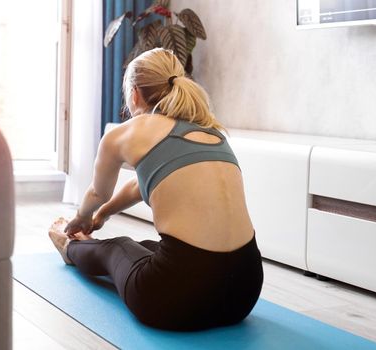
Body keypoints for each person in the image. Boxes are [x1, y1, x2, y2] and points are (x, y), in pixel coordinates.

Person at [48, 48, 263, 331]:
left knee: (119, 247)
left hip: (175, 302)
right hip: (244, 292)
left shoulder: (125, 132)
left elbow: (97, 193)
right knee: (148, 248)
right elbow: (141, 185)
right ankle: (89, 244)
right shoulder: (210, 131)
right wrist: (103, 215)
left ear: (135, 93)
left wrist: (83, 218)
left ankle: (71, 247)